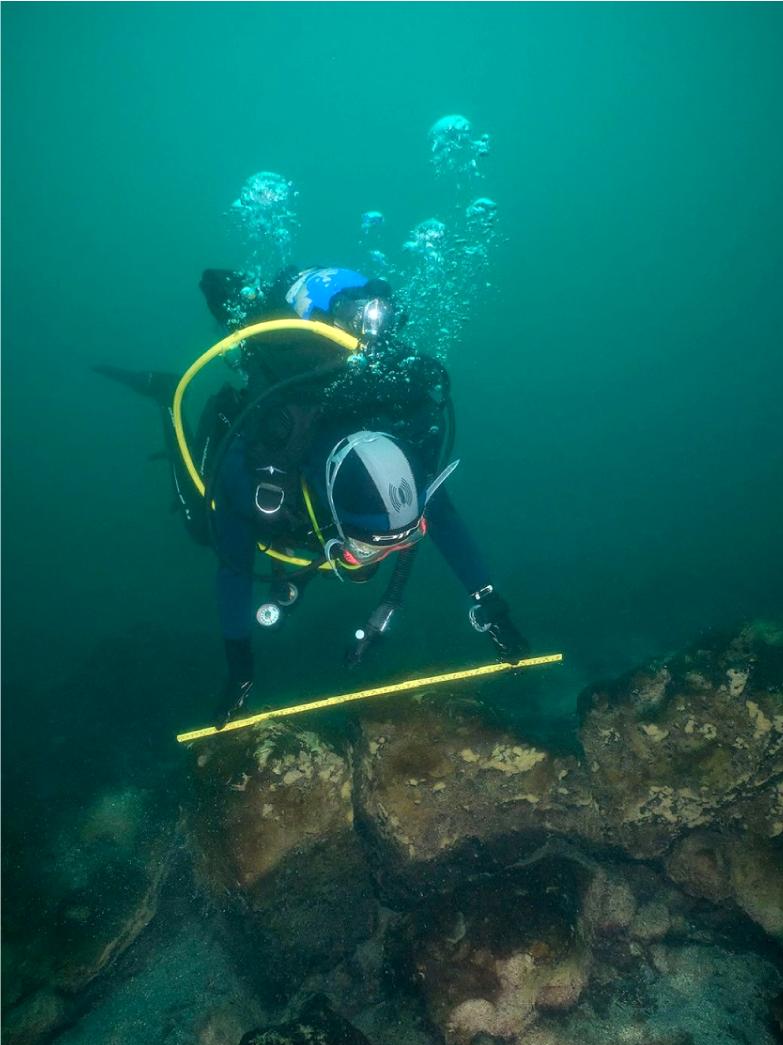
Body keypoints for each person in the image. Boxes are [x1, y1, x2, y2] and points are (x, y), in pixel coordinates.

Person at [98, 265, 528, 728]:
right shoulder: (260, 477)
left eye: (403, 541)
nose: (379, 559)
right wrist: (240, 665)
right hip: (264, 460)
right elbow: (234, 568)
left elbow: (442, 516)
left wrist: (490, 605)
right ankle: (168, 398)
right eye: (368, 548)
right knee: (202, 528)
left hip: (330, 474)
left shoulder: (405, 460)